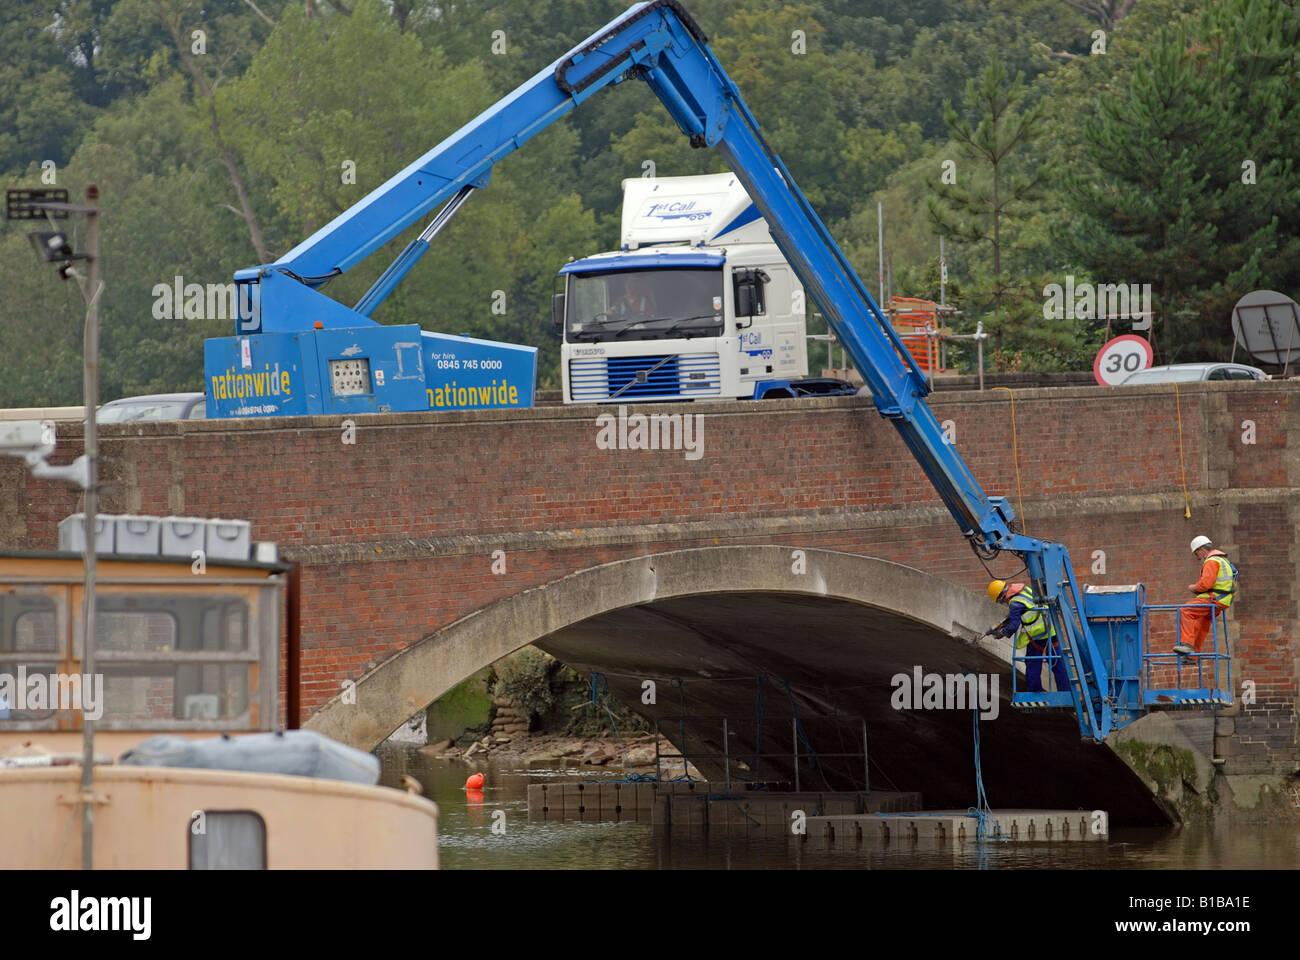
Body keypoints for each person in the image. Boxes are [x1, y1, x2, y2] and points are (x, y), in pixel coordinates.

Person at [987, 579, 1070, 693]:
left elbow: (1014, 625)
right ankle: (1065, 691)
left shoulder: (1014, 603)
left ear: (1001, 597)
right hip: (1051, 632)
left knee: (1032, 666)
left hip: (1037, 636)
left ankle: (1035, 693)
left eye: (1000, 601)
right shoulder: (1023, 590)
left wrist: (1001, 633)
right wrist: (1000, 625)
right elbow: (1022, 610)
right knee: (1058, 664)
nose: (1004, 603)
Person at [1174, 536, 1238, 656]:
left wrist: (1193, 588)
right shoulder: (1223, 560)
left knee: (1185, 610)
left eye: (1196, 555)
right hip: (1223, 601)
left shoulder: (1212, 561)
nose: (1198, 559)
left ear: (1202, 551)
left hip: (1214, 599)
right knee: (1201, 624)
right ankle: (1193, 656)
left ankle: (1187, 645)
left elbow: (1205, 585)